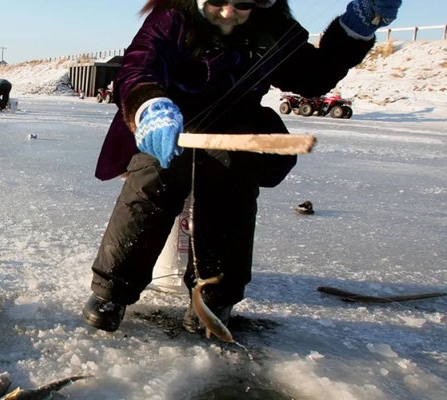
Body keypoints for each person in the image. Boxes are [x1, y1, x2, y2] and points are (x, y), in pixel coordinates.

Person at [82, 0, 402, 333]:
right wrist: (149, 106)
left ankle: (215, 296)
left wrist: (356, 29)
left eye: (243, 3)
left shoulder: (270, 29)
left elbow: (314, 76)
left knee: (232, 183)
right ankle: (112, 290)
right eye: (217, 1)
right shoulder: (171, 19)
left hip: (234, 131)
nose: (228, 12)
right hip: (167, 127)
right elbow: (139, 66)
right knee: (153, 180)